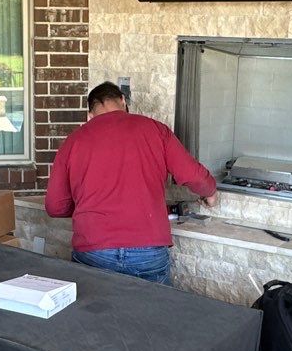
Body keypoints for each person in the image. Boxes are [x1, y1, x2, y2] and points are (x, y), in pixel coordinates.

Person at [45, 81, 217, 285]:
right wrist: (210, 192)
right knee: (152, 315)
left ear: (90, 114)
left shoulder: (73, 141)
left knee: (95, 315)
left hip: (94, 248)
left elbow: (55, 206)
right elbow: (194, 175)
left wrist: (87, 206)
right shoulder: (155, 130)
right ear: (123, 101)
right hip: (148, 249)